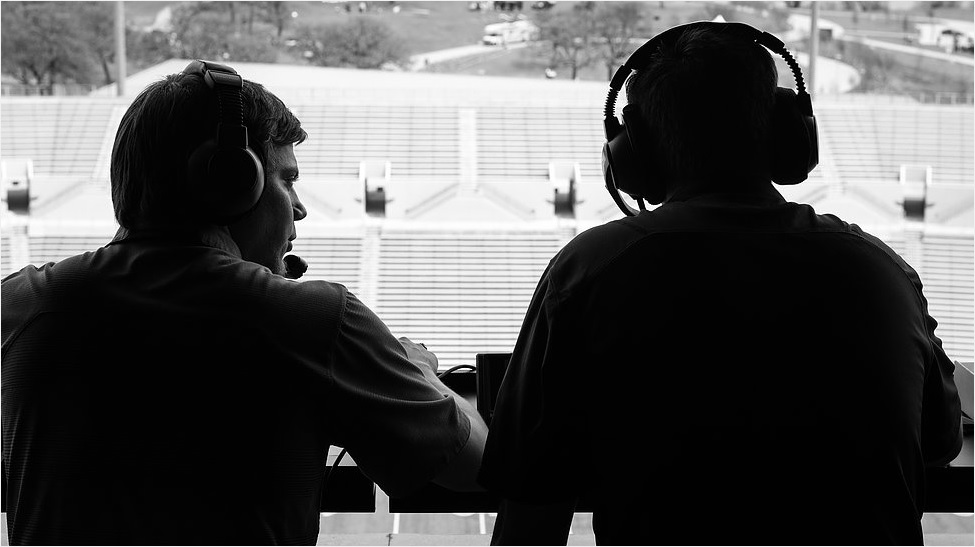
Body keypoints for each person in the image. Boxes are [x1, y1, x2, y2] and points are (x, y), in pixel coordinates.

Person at [477, 22, 963, 545]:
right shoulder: (885, 272)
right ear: (787, 135)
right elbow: (940, 440)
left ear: (633, 155)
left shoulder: (587, 272)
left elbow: (529, 523)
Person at [1, 60, 488, 545]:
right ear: (231, 181)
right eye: (287, 181)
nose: (299, 208)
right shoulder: (312, 321)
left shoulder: (20, 306)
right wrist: (419, 371)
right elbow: (476, 467)